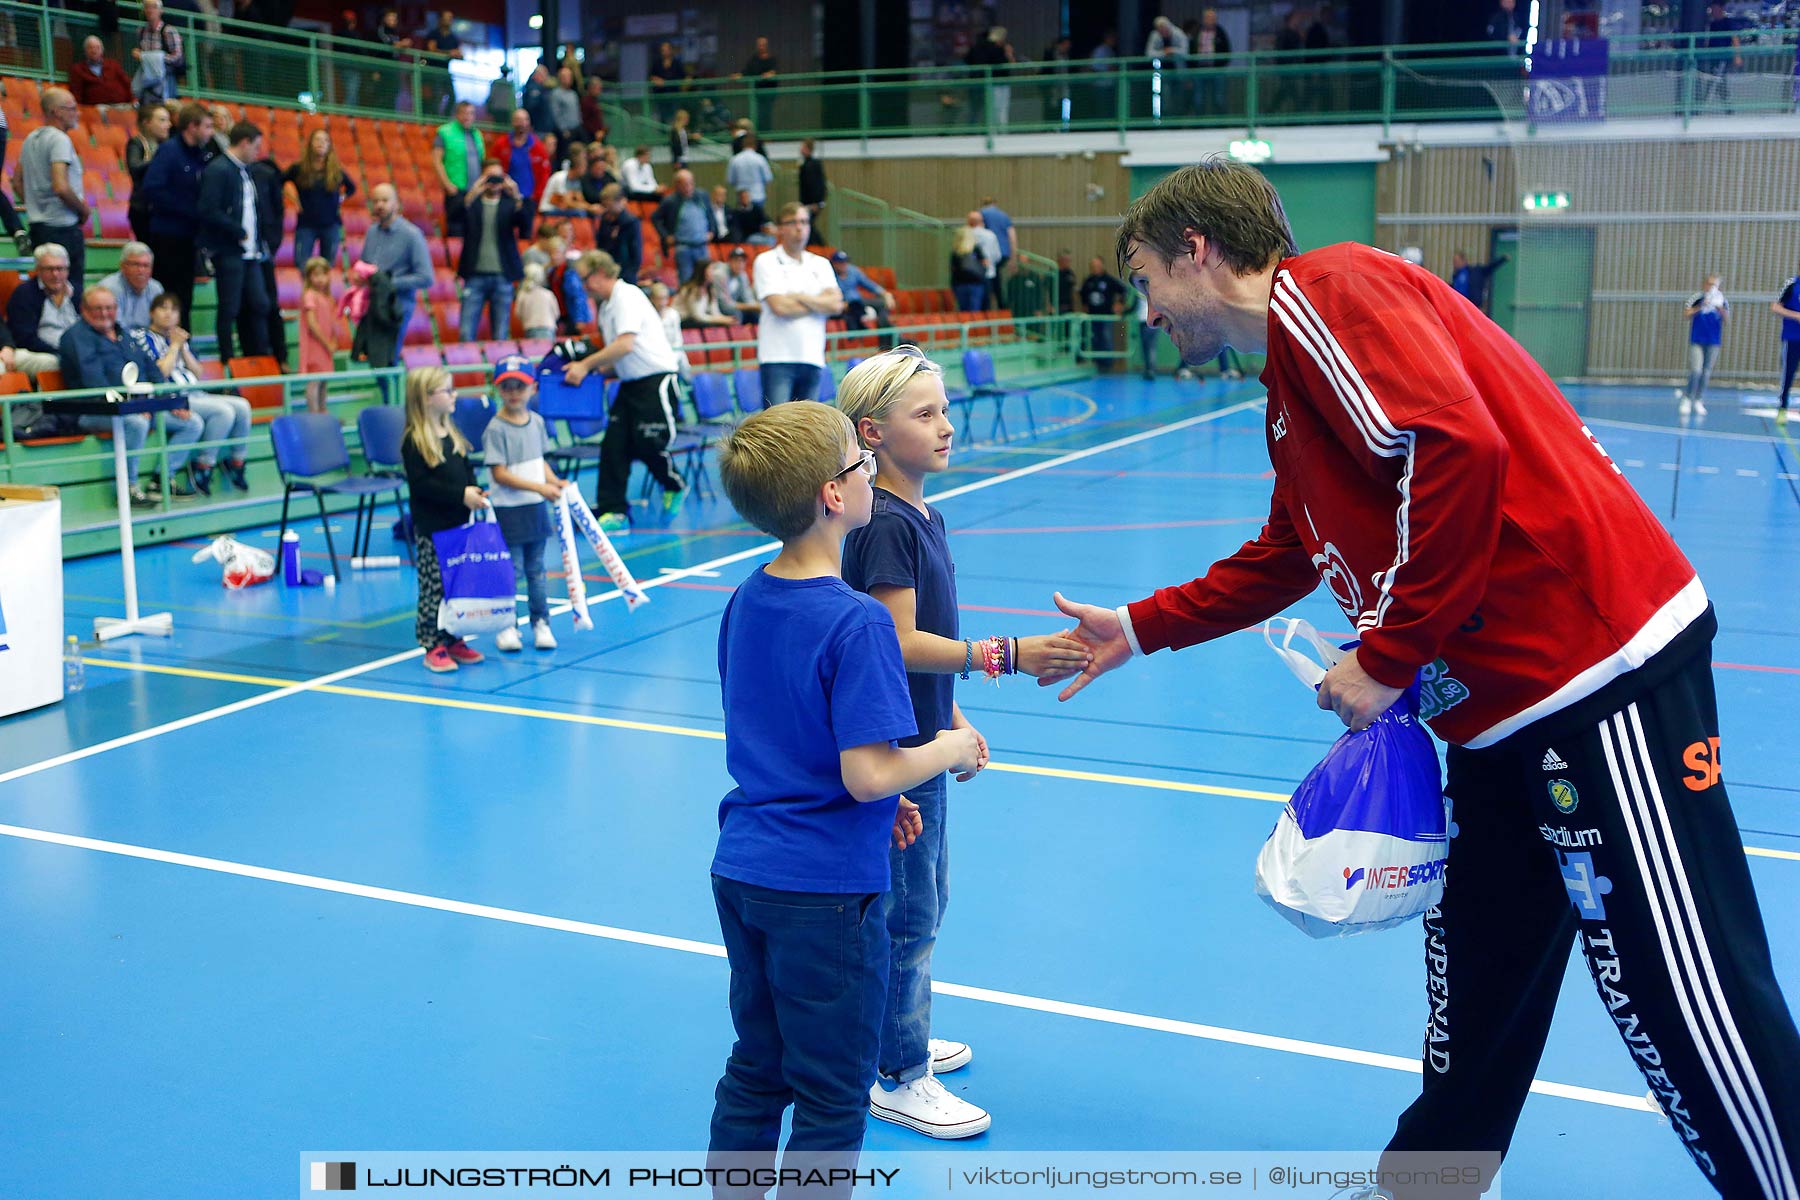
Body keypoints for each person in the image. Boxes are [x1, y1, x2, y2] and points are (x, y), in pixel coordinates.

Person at [1050, 158, 1800, 1200]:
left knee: (1676, 990)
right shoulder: (1289, 386)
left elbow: (1458, 447)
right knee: (1480, 964)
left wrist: (1389, 654)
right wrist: (1139, 626)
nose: (1143, 314)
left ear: (1199, 251)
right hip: (1494, 718)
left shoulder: (1332, 292)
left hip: (1593, 679)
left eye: (1143, 281)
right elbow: (1289, 550)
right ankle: (1430, 1183)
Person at [706, 399, 984, 1178]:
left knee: (757, 1067)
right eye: (860, 466)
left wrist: (880, 794)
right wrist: (947, 746)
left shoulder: (747, 598)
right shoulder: (857, 621)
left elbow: (784, 733)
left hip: (744, 868)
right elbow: (868, 773)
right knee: (832, 1095)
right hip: (824, 892)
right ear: (834, 494)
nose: (871, 476)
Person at [835, 348, 1086, 1140]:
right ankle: (897, 1073)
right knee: (907, 912)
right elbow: (899, 641)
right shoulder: (881, 527)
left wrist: (952, 719)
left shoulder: (922, 516)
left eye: (945, 410)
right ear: (872, 432)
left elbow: (922, 645)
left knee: (925, 900)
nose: (946, 425)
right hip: (894, 753)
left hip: (925, 735)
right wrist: (1003, 655)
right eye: (925, 414)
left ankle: (897, 1034)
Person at [561, 249, 688, 531]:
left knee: (648, 442)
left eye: (586, 279)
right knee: (613, 446)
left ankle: (674, 484)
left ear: (601, 273)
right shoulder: (606, 306)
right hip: (630, 383)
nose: (583, 286)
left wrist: (584, 366)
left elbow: (624, 345)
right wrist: (592, 370)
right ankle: (613, 510)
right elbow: (619, 355)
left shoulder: (625, 296)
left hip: (655, 380)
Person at [61, 284, 201, 505]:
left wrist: (165, 402)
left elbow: (154, 372)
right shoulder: (76, 338)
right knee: (136, 423)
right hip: (93, 409)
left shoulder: (124, 335)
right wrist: (137, 404)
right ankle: (129, 489)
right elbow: (95, 383)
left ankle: (162, 479)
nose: (105, 313)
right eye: (98, 308)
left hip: (137, 405)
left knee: (191, 422)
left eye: (109, 308)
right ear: (84, 309)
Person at [402, 366, 489, 673]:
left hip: (459, 527)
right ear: (426, 399)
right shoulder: (415, 441)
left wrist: (474, 490)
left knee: (458, 586)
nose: (454, 395)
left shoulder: (452, 434)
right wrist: (460, 495)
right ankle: (432, 643)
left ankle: (454, 638)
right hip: (433, 531)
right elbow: (424, 487)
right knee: (434, 588)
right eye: (447, 391)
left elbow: (466, 472)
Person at [130, 291, 252, 495]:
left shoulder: (178, 338)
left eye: (174, 310)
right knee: (224, 412)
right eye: (163, 308)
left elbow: (198, 372)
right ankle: (203, 465)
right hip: (172, 397)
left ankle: (237, 461)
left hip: (195, 393)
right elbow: (161, 372)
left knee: (243, 406)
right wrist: (175, 346)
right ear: (152, 312)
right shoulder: (142, 337)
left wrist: (182, 347)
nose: (169, 314)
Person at [482, 355, 564, 652]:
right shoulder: (496, 428)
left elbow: (539, 462)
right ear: (498, 390)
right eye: (507, 387)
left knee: (537, 570)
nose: (514, 393)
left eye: (521, 386)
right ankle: (506, 625)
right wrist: (541, 488)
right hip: (509, 512)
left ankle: (540, 622)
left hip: (535, 511)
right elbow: (500, 473)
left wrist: (554, 482)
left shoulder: (537, 423)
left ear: (533, 388)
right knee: (511, 571)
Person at [196, 121, 270, 364]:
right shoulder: (219, 170)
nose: (258, 153)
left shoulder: (246, 172)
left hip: (250, 253)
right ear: (245, 142)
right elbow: (208, 209)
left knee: (259, 304)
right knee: (229, 308)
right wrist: (236, 230)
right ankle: (227, 360)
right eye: (256, 146)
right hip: (229, 250)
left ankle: (257, 357)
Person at [754, 203, 841, 404]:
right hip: (777, 357)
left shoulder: (820, 264)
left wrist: (799, 297)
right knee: (776, 427)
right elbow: (780, 307)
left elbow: (836, 305)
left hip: (812, 356)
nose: (799, 227)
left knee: (806, 431)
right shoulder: (766, 261)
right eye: (793, 222)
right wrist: (819, 302)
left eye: (804, 222)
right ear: (780, 228)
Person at [139, 101, 212, 318]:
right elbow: (152, 189)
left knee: (185, 297)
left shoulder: (200, 154)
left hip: (189, 236)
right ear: (192, 126)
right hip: (168, 236)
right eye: (207, 126)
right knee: (170, 294)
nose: (211, 132)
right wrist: (190, 210)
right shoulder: (170, 151)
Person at [18, 88, 89, 293]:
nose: (77, 113)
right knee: (70, 293)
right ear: (56, 111)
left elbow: (16, 182)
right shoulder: (60, 139)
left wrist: (34, 202)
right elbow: (60, 185)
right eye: (72, 108)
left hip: (38, 226)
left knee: (46, 290)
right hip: (62, 228)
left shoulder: (30, 139)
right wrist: (83, 210)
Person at [358, 183, 434, 343]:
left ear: (396, 203)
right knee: (372, 360)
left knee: (388, 360)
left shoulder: (412, 235)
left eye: (385, 200)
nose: (379, 205)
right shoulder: (371, 232)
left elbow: (426, 278)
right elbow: (365, 265)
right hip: (372, 305)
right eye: (376, 201)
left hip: (397, 306)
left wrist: (388, 283)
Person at [457, 161, 524, 342]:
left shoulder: (510, 204)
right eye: (490, 177)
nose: (494, 182)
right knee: (465, 332)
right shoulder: (473, 202)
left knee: (500, 335)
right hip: (474, 275)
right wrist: (472, 193)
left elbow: (525, 225)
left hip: (503, 275)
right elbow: (455, 220)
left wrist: (516, 194)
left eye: (498, 177)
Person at [284, 127, 355, 271]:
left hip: (331, 224)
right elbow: (280, 181)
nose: (321, 143)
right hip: (306, 224)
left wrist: (341, 197)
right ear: (310, 143)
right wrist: (294, 199)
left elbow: (351, 188)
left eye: (325, 140)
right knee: (302, 264)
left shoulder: (335, 170)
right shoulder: (299, 168)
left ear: (329, 146)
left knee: (327, 266)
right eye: (317, 139)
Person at [7, 243, 81, 378]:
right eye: (49, 269)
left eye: (60, 269)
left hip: (76, 351)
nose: (55, 274)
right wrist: (62, 351)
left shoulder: (77, 292)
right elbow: (25, 338)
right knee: (58, 363)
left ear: (68, 270)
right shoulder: (24, 294)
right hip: (42, 352)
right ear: (38, 269)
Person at [487, 109, 550, 240]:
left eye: (525, 120)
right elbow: (492, 168)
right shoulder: (501, 144)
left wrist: (536, 196)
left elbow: (544, 175)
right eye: (518, 120)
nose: (521, 123)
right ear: (513, 122)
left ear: (529, 122)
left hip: (528, 199)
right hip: (505, 197)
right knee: (502, 233)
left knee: (526, 235)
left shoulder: (538, 147)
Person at [653, 169, 713, 288]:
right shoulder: (670, 201)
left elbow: (710, 214)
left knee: (706, 281)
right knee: (687, 282)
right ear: (677, 185)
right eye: (685, 184)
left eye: (691, 183)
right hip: (683, 247)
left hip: (702, 245)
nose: (689, 187)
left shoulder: (702, 196)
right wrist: (665, 236)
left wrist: (712, 230)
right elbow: (656, 218)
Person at [433, 101, 483, 239]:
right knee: (456, 231)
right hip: (456, 190)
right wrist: (448, 186)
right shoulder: (445, 132)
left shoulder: (476, 134)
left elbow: (481, 161)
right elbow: (437, 160)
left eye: (471, 113)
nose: (467, 117)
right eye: (464, 113)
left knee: (473, 230)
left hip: (474, 191)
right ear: (457, 114)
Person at [1680, 275, 1727, 418]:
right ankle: (1687, 397)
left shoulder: (1722, 299)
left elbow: (1727, 318)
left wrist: (1719, 309)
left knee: (1706, 372)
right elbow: (1687, 313)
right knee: (1696, 370)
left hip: (1713, 341)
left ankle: (1699, 399)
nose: (1712, 287)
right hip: (1697, 340)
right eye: (1709, 284)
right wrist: (1701, 306)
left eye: (1715, 284)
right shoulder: (1697, 297)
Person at [124, 101, 169, 243]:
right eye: (162, 120)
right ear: (147, 122)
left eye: (167, 120)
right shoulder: (137, 143)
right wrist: (159, 159)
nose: (168, 125)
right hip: (143, 209)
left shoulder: (166, 146)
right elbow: (134, 167)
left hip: (162, 209)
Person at [297, 255, 337, 414]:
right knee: (314, 381)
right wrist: (327, 343)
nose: (320, 279)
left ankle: (323, 410)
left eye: (323, 274)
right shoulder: (309, 296)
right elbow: (312, 324)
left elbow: (332, 322)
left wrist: (333, 341)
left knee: (324, 380)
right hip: (315, 346)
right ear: (309, 277)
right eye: (316, 275)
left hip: (326, 346)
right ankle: (314, 413)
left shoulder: (327, 297)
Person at [97, 241, 164, 332]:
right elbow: (114, 329)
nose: (141, 270)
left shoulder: (156, 289)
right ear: (122, 266)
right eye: (135, 265)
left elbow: (162, 325)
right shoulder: (109, 289)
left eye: (146, 265)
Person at [831, 250, 894, 347]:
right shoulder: (829, 274)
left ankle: (885, 342)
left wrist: (886, 294)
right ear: (834, 264)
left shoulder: (853, 271)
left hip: (858, 303)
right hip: (842, 305)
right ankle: (890, 341)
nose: (844, 265)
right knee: (853, 309)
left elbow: (869, 284)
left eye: (845, 262)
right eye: (840, 262)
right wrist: (839, 303)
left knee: (882, 304)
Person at [131, 0, 186, 103]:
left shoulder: (169, 31)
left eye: (153, 7)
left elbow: (178, 57)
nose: (150, 10)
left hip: (166, 79)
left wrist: (155, 57)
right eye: (147, 7)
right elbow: (141, 53)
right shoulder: (141, 31)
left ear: (160, 10)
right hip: (147, 79)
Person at [1079, 254, 1127, 368]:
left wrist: (1119, 303)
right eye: (1092, 266)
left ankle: (1107, 365)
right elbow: (1083, 295)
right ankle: (1097, 363)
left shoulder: (1109, 280)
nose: (1094, 268)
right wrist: (1084, 306)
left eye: (1096, 266)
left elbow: (1124, 290)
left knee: (1106, 338)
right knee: (1094, 338)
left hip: (1106, 316)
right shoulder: (1088, 281)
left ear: (1101, 266)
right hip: (1092, 316)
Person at [595, 183, 643, 286]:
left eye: (609, 204)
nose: (606, 208)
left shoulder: (631, 222)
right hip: (607, 271)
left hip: (625, 273)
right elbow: (600, 246)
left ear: (620, 201)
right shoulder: (605, 219)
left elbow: (636, 254)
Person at [69, 35, 133, 107]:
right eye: (90, 48)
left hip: (120, 104)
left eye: (97, 47)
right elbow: (76, 91)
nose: (94, 51)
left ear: (102, 50)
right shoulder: (78, 69)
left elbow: (126, 83)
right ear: (85, 51)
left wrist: (132, 100)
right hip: (96, 108)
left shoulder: (113, 64)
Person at [1771, 270, 1800, 422]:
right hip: (1793, 338)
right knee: (1789, 373)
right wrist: (1796, 316)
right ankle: (1783, 407)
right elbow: (1775, 307)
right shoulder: (1792, 285)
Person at [738, 34, 779, 127]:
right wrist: (739, 75)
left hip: (769, 91)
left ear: (766, 46)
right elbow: (747, 71)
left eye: (763, 45)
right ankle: (757, 134)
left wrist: (770, 74)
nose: (761, 47)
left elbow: (774, 71)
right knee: (757, 113)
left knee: (766, 113)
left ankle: (767, 135)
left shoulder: (772, 58)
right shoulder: (754, 59)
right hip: (756, 91)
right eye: (759, 45)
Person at [964, 212, 1001, 309]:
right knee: (986, 307)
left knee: (969, 309)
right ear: (981, 222)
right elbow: (997, 256)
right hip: (988, 274)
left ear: (969, 222)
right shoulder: (990, 235)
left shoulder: (965, 236)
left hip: (968, 277)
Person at [514, 262, 560, 340]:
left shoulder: (522, 294)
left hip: (530, 328)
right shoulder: (548, 294)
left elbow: (518, 313)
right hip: (549, 328)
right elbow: (556, 313)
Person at [726, 132, 773, 207]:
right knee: (758, 217)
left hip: (741, 196)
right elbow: (768, 178)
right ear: (755, 145)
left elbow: (731, 180)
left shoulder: (735, 159)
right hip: (758, 194)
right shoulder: (760, 159)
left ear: (742, 145)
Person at [949, 227, 987, 313]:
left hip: (960, 283)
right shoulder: (976, 249)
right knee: (974, 309)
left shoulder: (956, 252)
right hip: (976, 282)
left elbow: (953, 269)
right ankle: (973, 326)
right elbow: (985, 263)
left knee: (963, 310)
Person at [798, 138, 826, 244]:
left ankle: (820, 245)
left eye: (803, 147)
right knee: (808, 223)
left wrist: (815, 202)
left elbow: (815, 184)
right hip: (807, 201)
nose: (800, 149)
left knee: (807, 223)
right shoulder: (805, 164)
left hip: (811, 202)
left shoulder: (811, 165)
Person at [725, 246, 761, 323]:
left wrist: (756, 307)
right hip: (719, 310)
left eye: (742, 261)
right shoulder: (721, 274)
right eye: (736, 260)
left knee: (756, 313)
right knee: (736, 314)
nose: (739, 264)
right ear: (729, 261)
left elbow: (747, 298)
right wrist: (752, 306)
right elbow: (725, 305)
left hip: (734, 307)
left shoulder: (742, 275)